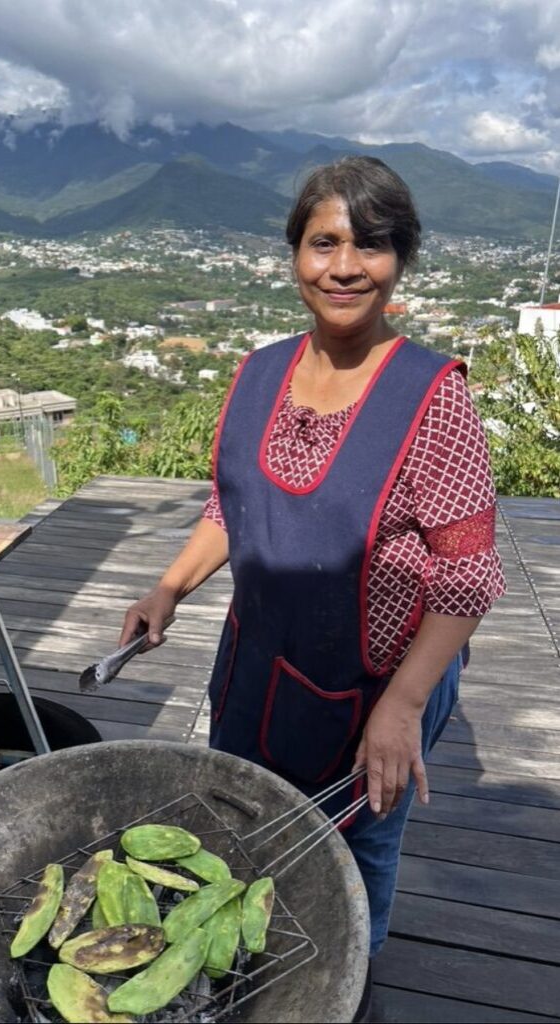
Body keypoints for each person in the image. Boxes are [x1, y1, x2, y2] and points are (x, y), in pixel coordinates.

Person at [120, 155, 506, 1017]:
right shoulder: (259, 374)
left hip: (380, 680)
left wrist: (404, 705)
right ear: (295, 254)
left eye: (370, 246)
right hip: (260, 661)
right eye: (323, 242)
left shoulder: (430, 398)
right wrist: (169, 588)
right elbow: (233, 506)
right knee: (248, 821)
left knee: (359, 847)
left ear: (399, 260)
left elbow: (469, 575)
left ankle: (343, 986)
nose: (344, 266)